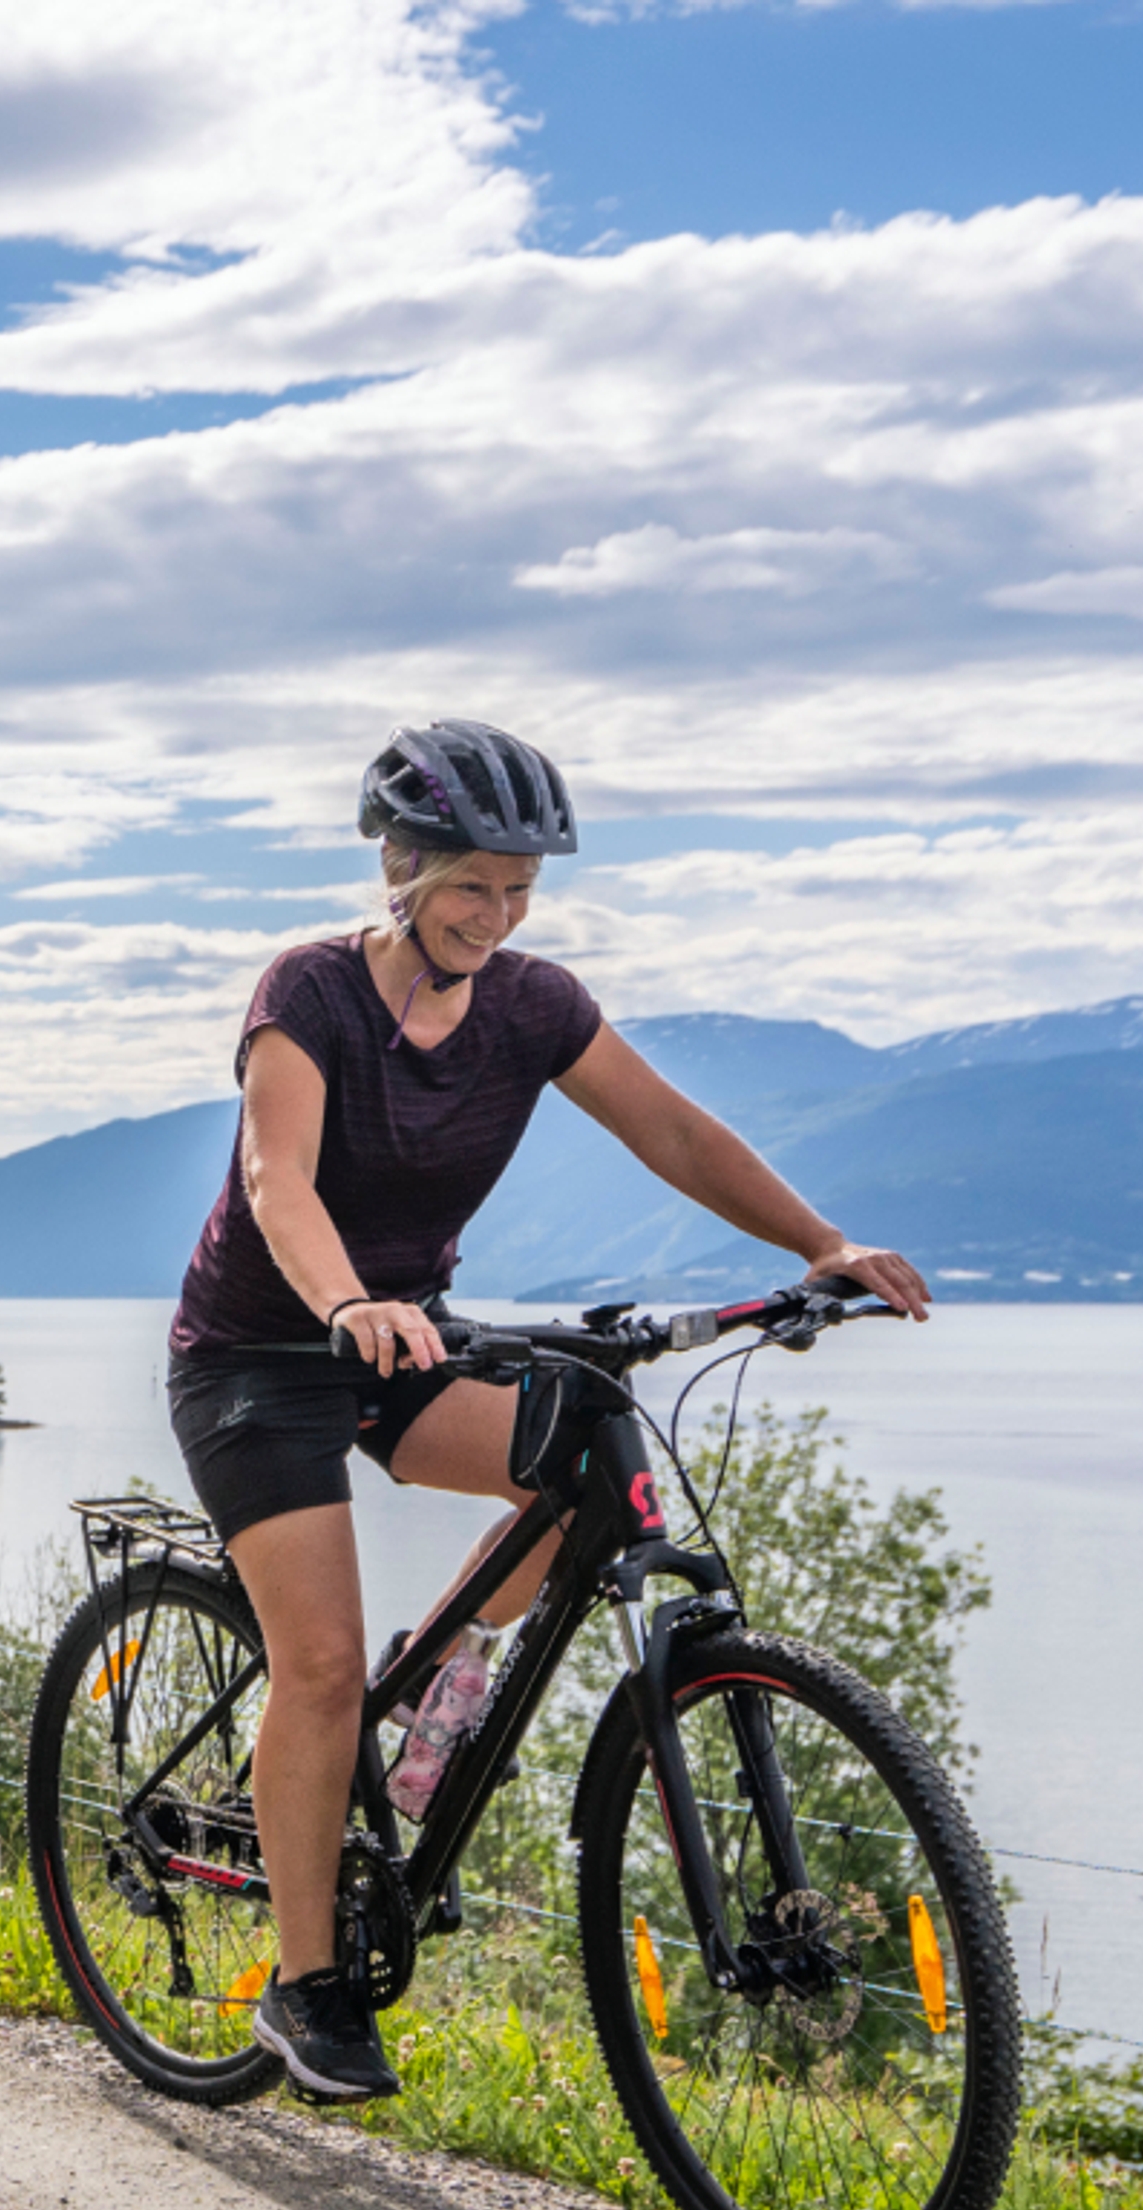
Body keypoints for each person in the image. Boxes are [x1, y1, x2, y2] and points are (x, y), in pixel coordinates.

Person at [164, 721, 931, 2104]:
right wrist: (344, 1303)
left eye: (522, 892)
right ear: (402, 866)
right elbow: (280, 1179)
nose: (499, 917)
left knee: (580, 1458)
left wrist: (819, 1243)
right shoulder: (311, 995)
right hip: (264, 1354)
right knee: (320, 1666)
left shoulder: (532, 1006)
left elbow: (675, 1134)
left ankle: (443, 1669)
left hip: (401, 1338)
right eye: (475, 888)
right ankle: (305, 1984)